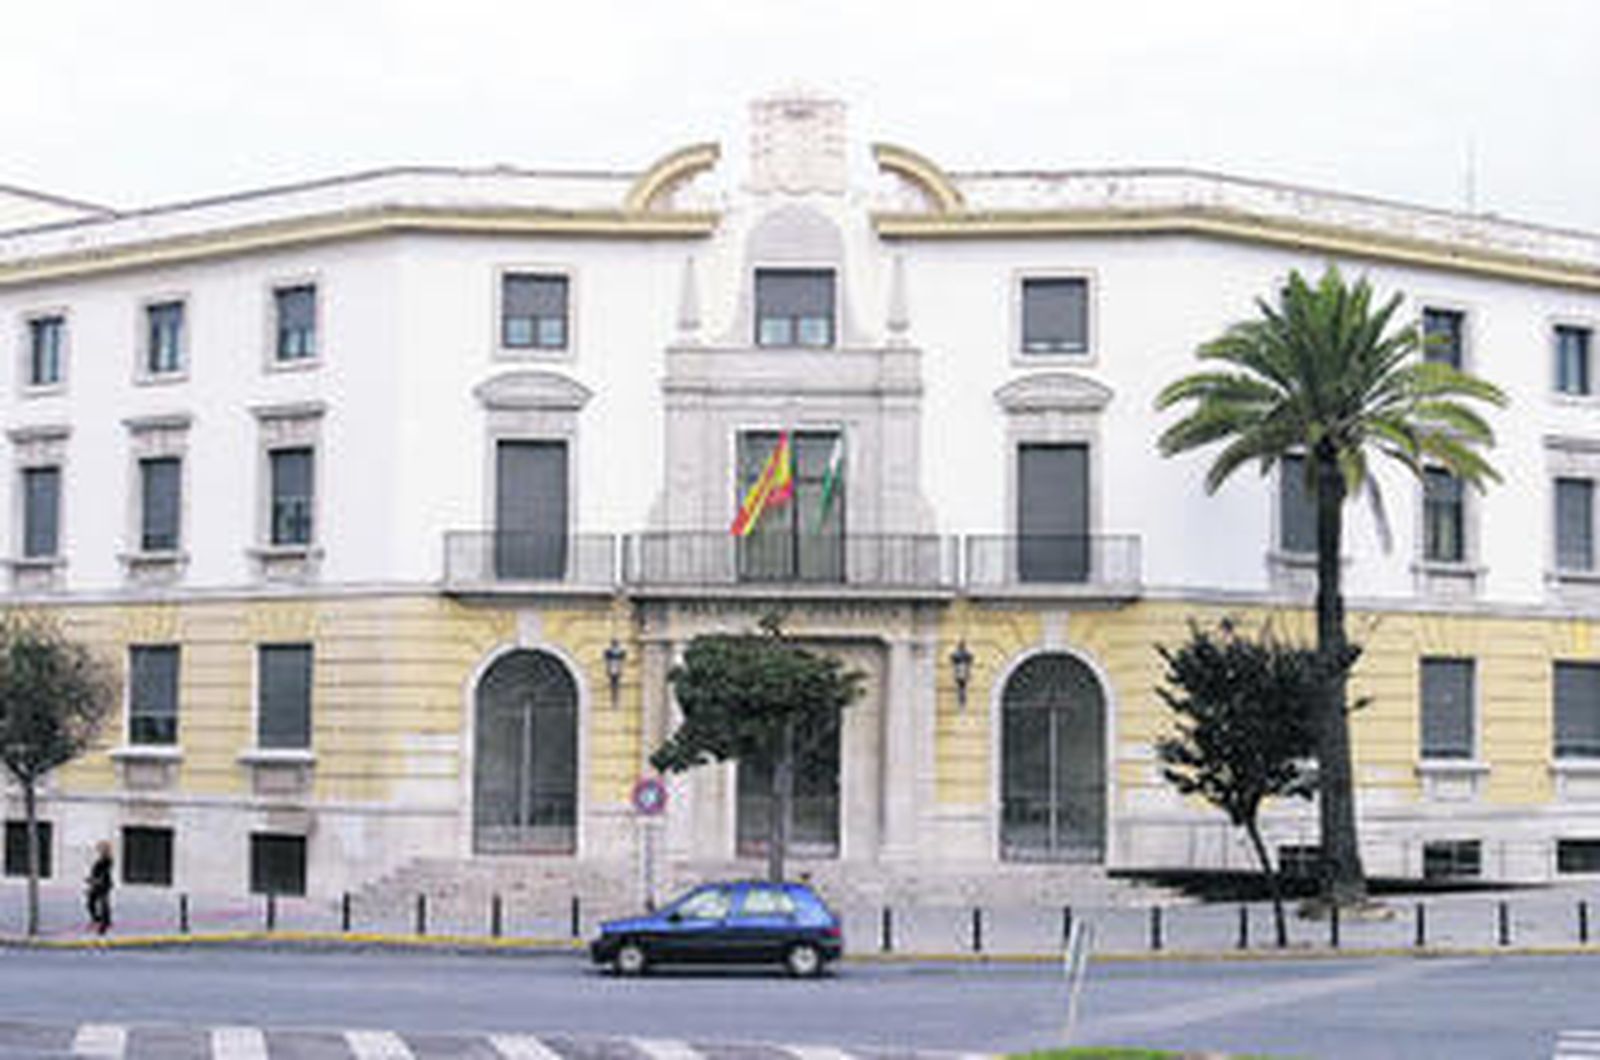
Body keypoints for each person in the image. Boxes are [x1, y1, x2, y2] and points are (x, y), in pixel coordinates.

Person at [85, 841, 113, 935]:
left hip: (103, 885)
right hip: (97, 884)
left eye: (100, 848)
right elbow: (96, 872)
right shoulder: (100, 860)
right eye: (99, 849)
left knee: (103, 904)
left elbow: (104, 873)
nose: (99, 851)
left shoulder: (107, 860)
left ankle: (103, 926)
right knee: (91, 903)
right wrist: (91, 880)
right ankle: (98, 920)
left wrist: (95, 880)